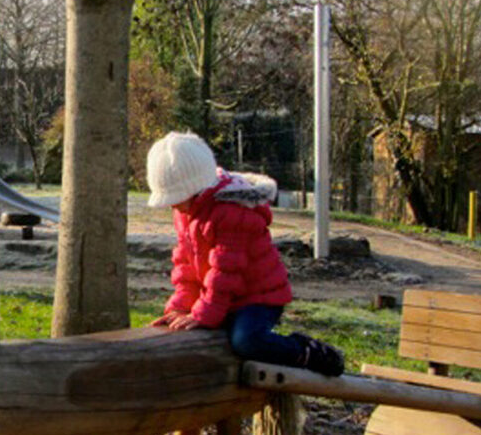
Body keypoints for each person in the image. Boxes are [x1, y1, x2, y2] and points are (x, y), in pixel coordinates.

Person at [147, 131, 344, 376]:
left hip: (259, 297)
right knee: (202, 331)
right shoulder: (187, 212)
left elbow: (226, 271)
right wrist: (180, 307)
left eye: (175, 197)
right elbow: (185, 264)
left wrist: (203, 313)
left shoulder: (231, 212)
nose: (171, 205)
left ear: (196, 187)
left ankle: (305, 351)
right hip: (224, 296)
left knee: (246, 340)